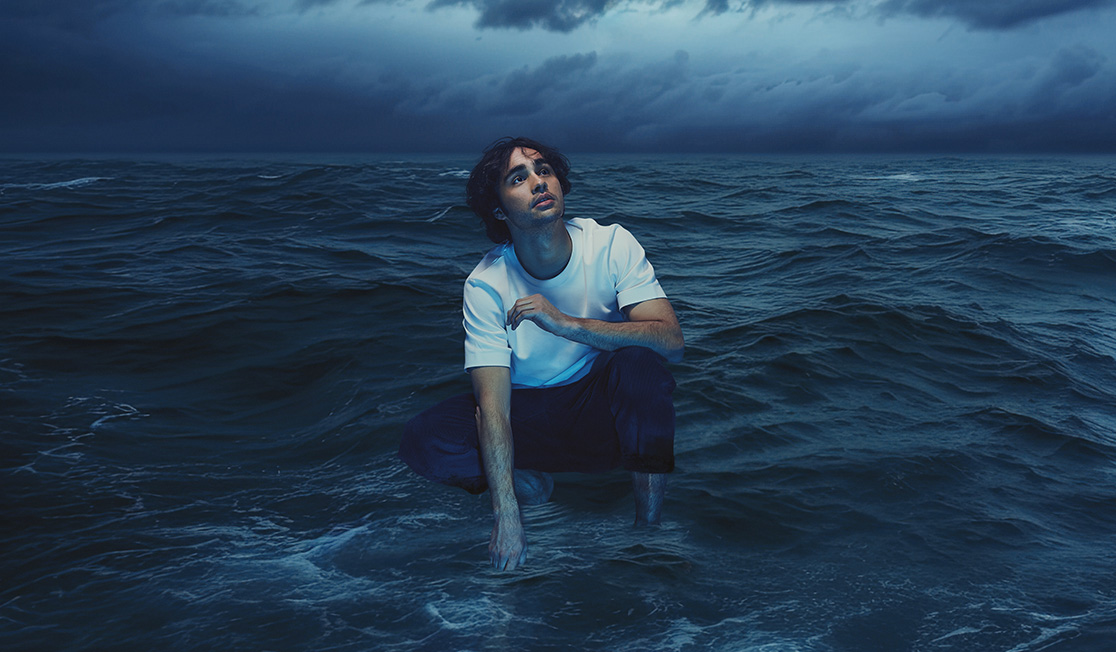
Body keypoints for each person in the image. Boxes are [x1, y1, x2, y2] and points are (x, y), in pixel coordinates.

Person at [399, 137, 683, 572]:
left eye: (544, 171)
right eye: (519, 177)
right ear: (498, 209)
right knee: (423, 436)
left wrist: (570, 325)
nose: (538, 182)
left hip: (598, 413)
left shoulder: (610, 244)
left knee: (641, 363)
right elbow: (493, 408)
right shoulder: (485, 283)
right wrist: (507, 515)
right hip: (528, 416)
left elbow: (671, 341)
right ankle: (530, 488)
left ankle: (648, 531)